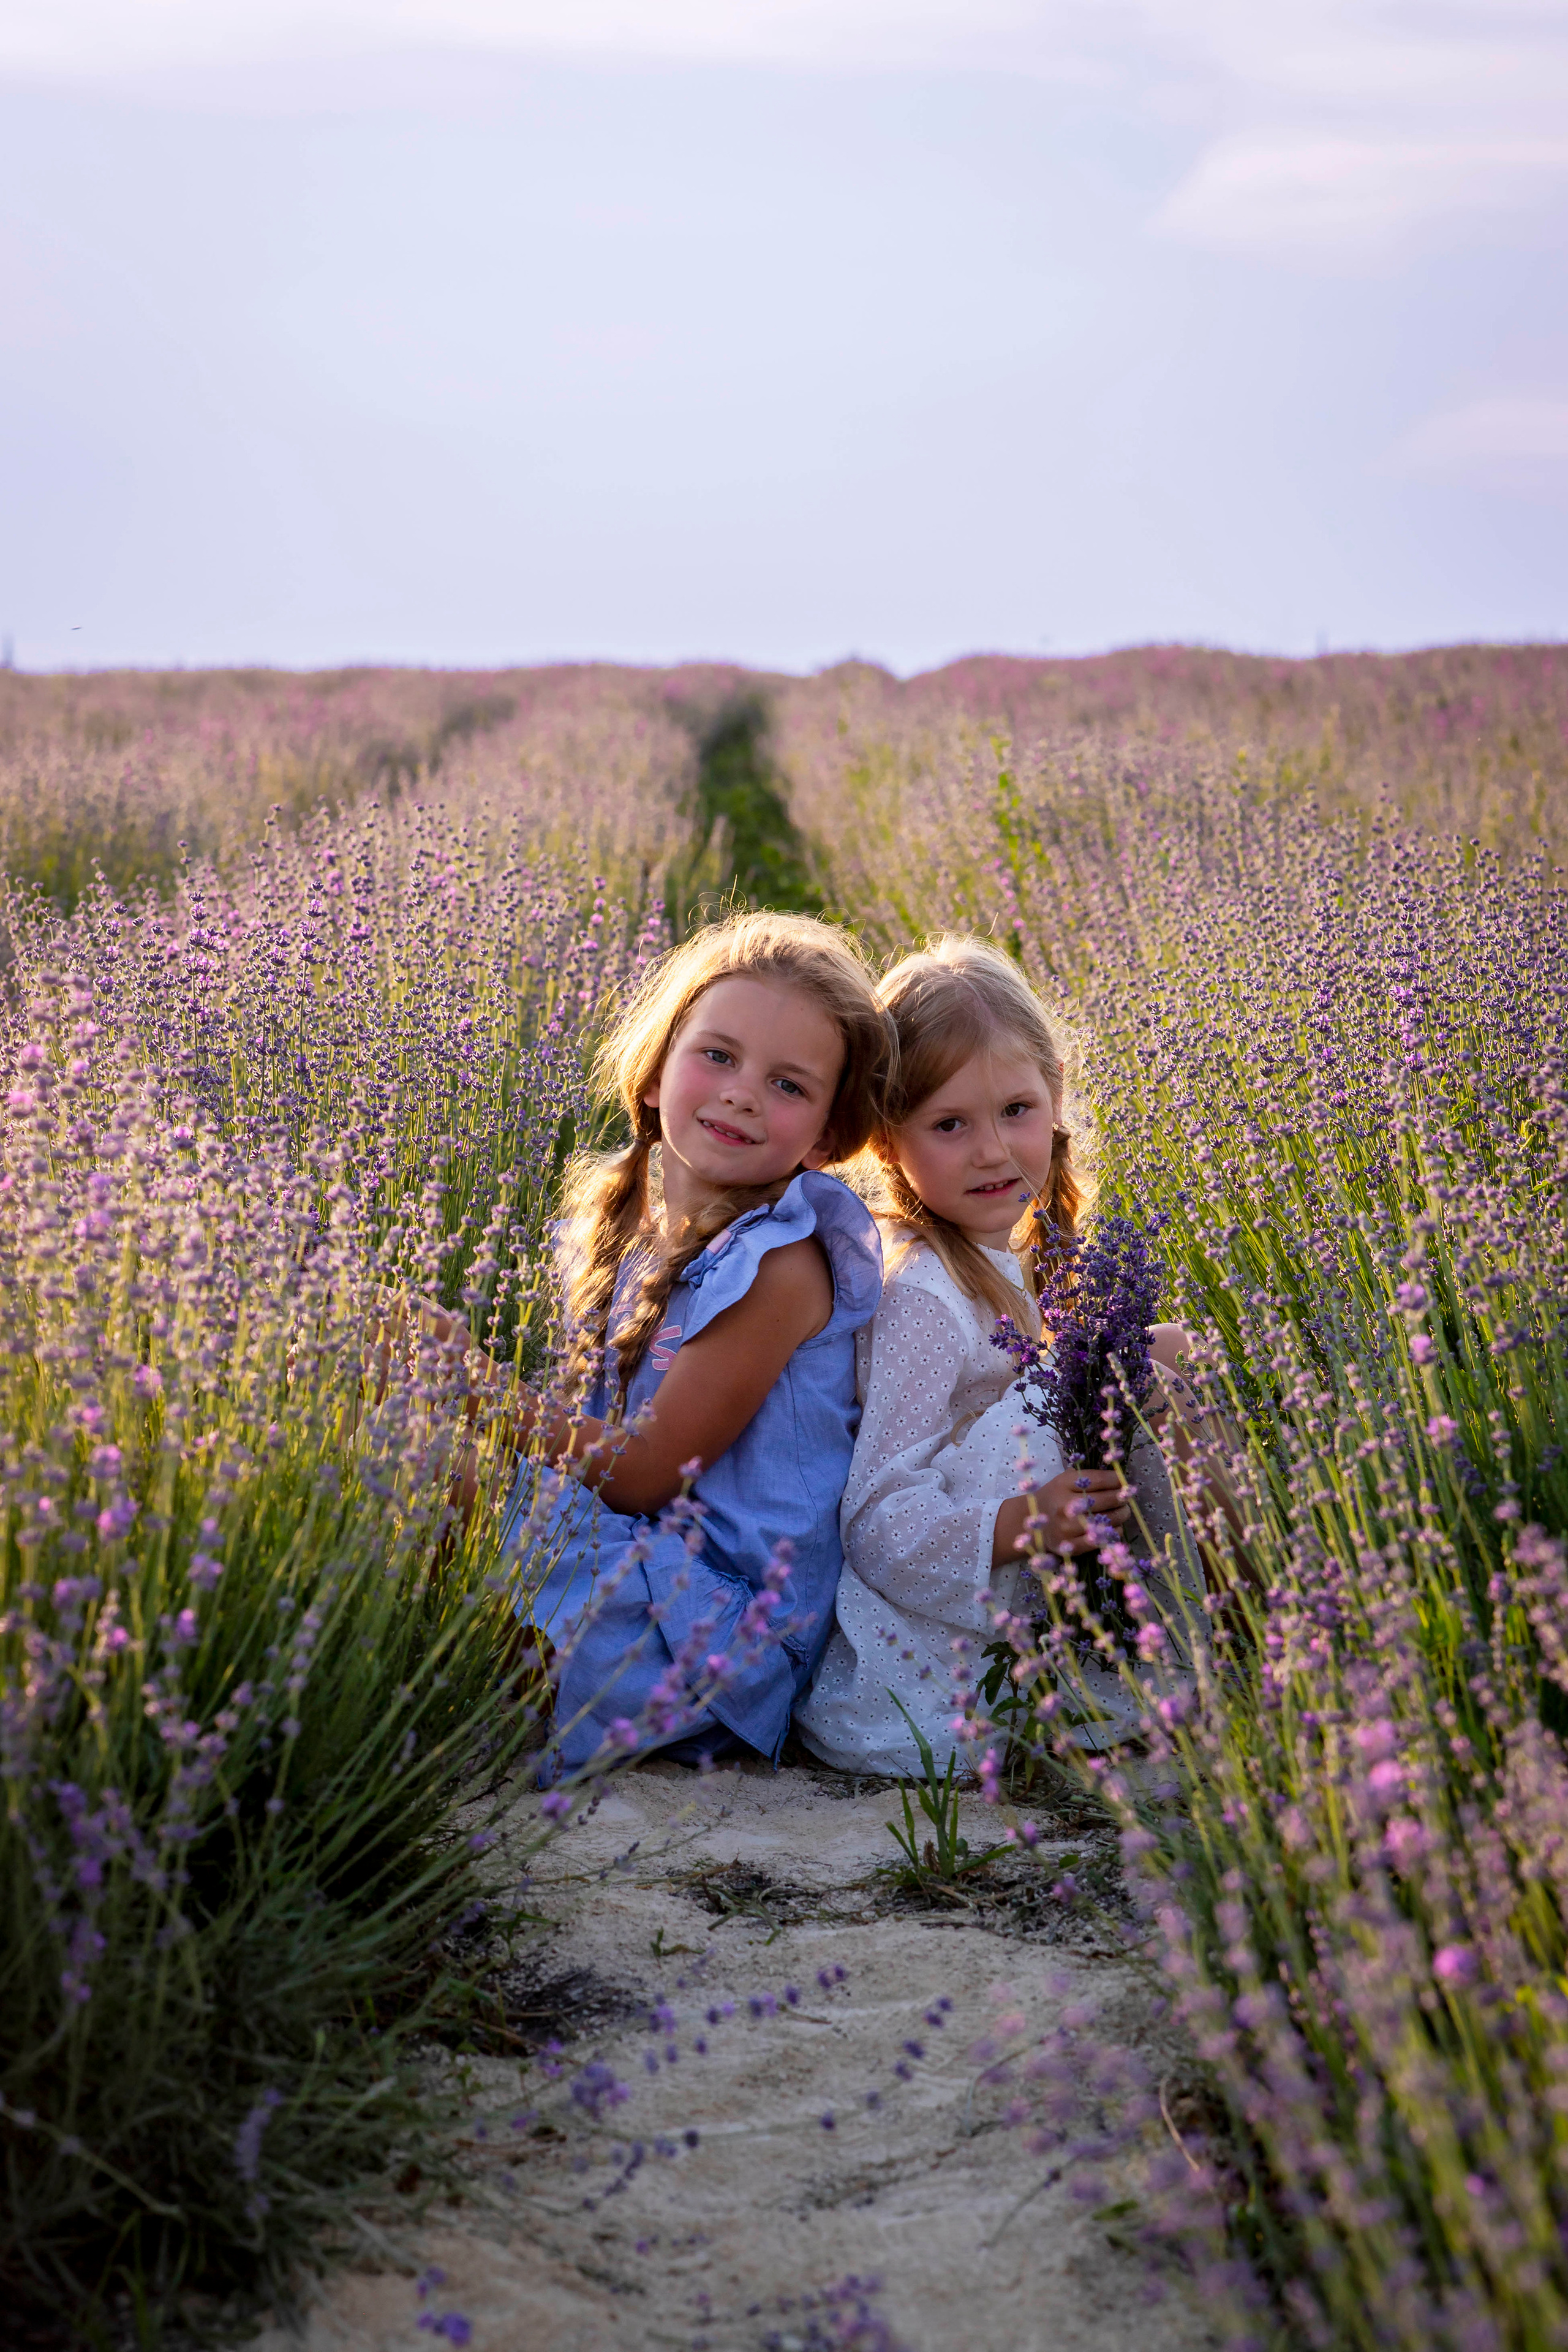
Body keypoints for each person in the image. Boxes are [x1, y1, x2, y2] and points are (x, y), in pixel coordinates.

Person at [794, 935, 1197, 1778]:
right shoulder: (923, 1297)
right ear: (888, 1141)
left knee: (1163, 1354)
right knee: (1145, 1365)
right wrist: (1018, 1525)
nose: (991, 1149)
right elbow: (875, 1521)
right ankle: (1185, 1647)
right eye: (949, 1125)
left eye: (1015, 1110)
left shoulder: (1011, 1258)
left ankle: (1192, 1629)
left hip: (990, 1619)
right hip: (917, 1678)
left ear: (1055, 1098)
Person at [500, 910, 891, 1775]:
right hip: (626, 1555)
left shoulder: (781, 1263)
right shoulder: (625, 1215)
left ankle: (487, 1690)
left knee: (433, 1467)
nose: (744, 1092)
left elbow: (645, 1474)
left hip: (722, 1631)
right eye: (718, 1055)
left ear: (827, 1138)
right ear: (654, 1073)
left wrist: (472, 1389)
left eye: (789, 1085)